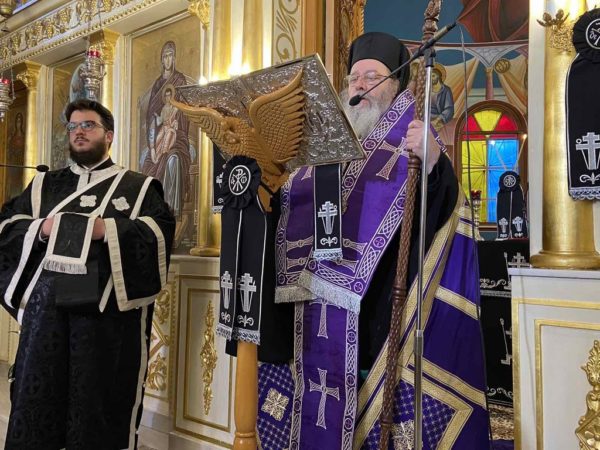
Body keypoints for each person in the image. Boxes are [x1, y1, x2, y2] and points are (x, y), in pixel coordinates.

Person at [257, 32, 490, 449]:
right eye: (353, 78)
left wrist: (434, 164)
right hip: (314, 304)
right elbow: (291, 208)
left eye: (372, 76)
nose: (359, 86)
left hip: (378, 307)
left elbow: (441, 211)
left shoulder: (413, 137)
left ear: (395, 84)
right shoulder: (325, 145)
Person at [0, 99, 175, 449]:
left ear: (108, 135)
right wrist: (42, 228)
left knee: (95, 399)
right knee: (40, 397)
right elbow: (8, 227)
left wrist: (106, 230)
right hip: (46, 316)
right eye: (73, 126)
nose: (79, 131)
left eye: (88, 125)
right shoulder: (43, 185)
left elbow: (158, 233)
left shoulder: (137, 187)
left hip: (104, 321)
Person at [141, 41, 192, 219]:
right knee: (148, 164)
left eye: (171, 56)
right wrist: (152, 147)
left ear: (174, 58)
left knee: (173, 159)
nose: (168, 60)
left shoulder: (180, 80)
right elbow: (152, 117)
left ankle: (172, 211)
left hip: (178, 136)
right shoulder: (157, 85)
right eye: (165, 56)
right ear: (162, 60)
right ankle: (151, 211)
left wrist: (175, 126)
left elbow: (184, 112)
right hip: (158, 136)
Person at [430, 63, 455, 131]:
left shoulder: (446, 90)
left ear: (438, 76)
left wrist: (438, 120)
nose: (431, 78)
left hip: (439, 118)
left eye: (433, 76)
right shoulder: (427, 90)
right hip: (426, 118)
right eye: (430, 76)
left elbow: (449, 109)